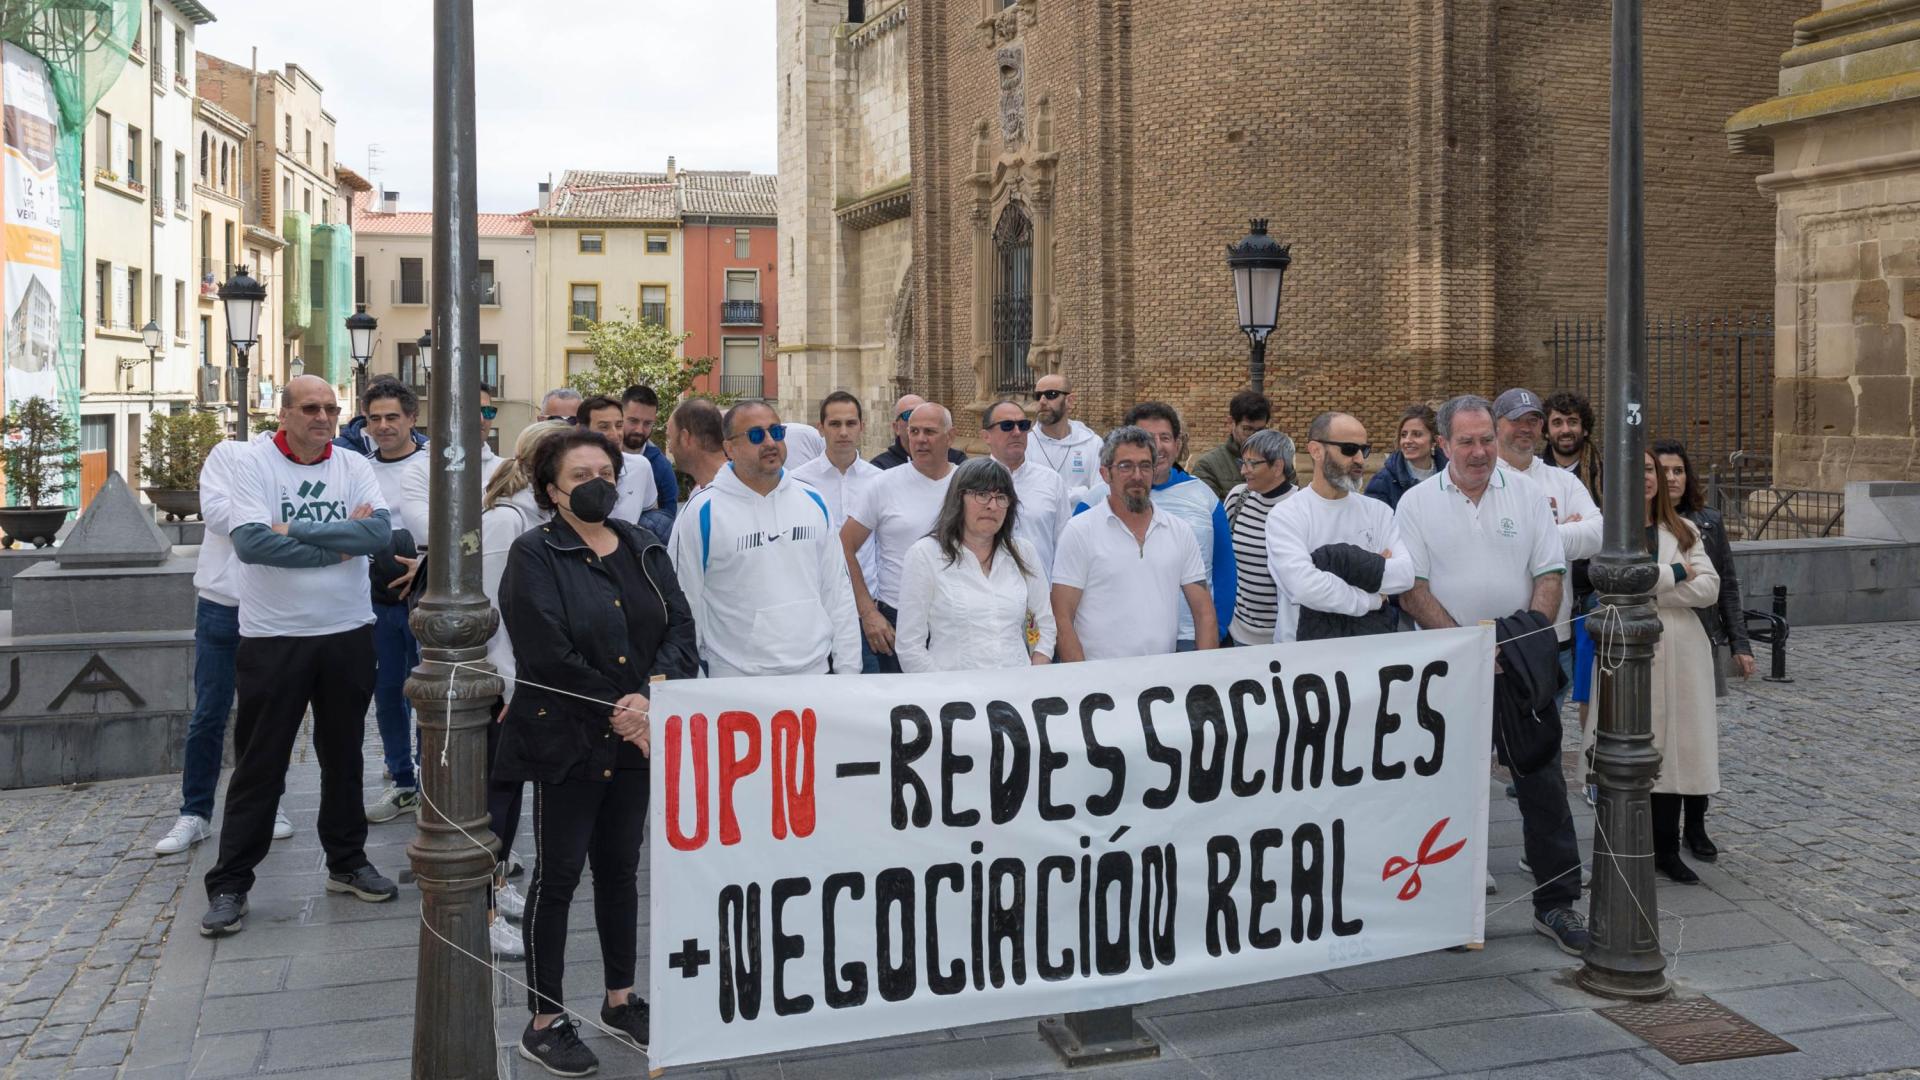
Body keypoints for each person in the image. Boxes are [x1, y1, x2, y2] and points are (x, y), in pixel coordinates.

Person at [494, 428, 697, 1073]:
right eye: (580, 476)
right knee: (557, 877)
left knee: (619, 870)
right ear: (551, 490)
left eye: (604, 473)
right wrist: (623, 709)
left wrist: (647, 698)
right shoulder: (534, 553)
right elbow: (545, 650)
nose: (596, 485)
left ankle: (619, 999)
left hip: (637, 733)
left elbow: (680, 630)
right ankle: (543, 1021)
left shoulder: (642, 546)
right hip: (569, 737)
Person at [201, 376, 400, 937]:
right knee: (260, 763)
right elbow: (251, 543)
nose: (323, 417)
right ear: (284, 414)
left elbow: (377, 535)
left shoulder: (353, 464)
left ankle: (347, 862)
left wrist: (296, 529)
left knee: (345, 757)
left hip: (347, 632)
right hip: (274, 636)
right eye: (310, 408)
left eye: (331, 409)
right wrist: (337, 545)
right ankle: (230, 883)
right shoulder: (252, 464)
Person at [1393, 394, 1588, 956]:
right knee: (1447, 787)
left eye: (1486, 440)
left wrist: (1521, 643)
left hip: (1520, 662)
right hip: (1449, 667)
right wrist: (1471, 647)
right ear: (1443, 444)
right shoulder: (1415, 504)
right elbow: (1412, 588)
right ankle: (1450, 907)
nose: (1479, 452)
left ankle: (1557, 904)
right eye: (1466, 442)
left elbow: (1549, 575)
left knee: (1543, 783)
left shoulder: (1527, 496)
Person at [156, 431, 293, 856]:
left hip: (273, 603)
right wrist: (275, 519)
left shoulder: (302, 465)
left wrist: (271, 520)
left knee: (266, 714)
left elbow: (307, 524)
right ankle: (195, 812)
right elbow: (216, 516)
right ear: (283, 413)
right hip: (221, 602)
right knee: (209, 713)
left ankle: (267, 805)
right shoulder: (231, 453)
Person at [672, 399, 861, 677]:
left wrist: (849, 672)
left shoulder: (813, 500)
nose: (770, 442)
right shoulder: (701, 512)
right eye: (756, 435)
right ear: (729, 448)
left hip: (815, 675)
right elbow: (684, 604)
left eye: (776, 432)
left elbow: (837, 591)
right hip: (735, 681)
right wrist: (696, 683)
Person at [477, 419, 569, 959]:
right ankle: (482, 910)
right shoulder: (506, 521)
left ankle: (494, 885)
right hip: (504, 683)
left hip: (524, 680)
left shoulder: (534, 516)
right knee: (495, 796)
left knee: (508, 792)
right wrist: (511, 686)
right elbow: (493, 609)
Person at [1654, 437, 1752, 864]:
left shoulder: (1706, 521)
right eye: (1664, 471)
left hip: (1701, 640)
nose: (1672, 478)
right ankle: (1663, 832)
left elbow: (1723, 584)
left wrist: (1740, 643)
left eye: (1678, 470)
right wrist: (1675, 582)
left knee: (1697, 738)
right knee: (1665, 738)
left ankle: (1696, 825)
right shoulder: (1644, 523)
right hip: (1659, 642)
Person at [1076, 402, 1235, 649]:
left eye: (1165, 438)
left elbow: (1224, 567)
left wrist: (1219, 627)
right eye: (1148, 437)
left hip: (1193, 636)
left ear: (1177, 444)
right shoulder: (1095, 500)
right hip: (1118, 642)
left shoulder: (1204, 497)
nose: (1158, 446)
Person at [1054, 427, 1217, 660]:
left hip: (1163, 677)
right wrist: (1083, 679)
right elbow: (1061, 617)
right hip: (1100, 677)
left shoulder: (1179, 531)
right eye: (1125, 466)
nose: (1137, 476)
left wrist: (1206, 673)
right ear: (1105, 474)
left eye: (1145, 466)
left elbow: (1204, 613)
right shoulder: (1080, 531)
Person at [1638, 449, 1722, 885]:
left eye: (1650, 469)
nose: (1647, 477)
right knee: (1637, 746)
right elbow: (1621, 582)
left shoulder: (1683, 528)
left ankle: (1668, 849)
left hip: (1682, 647)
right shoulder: (1610, 529)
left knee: (1676, 748)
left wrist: (1657, 587)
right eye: (1637, 469)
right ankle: (1632, 842)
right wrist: (1676, 573)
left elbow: (1710, 587)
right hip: (1631, 648)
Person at [351, 379, 431, 825]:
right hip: (377, 597)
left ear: (412, 418)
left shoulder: (434, 465)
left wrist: (425, 564)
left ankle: (430, 784)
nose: (383, 426)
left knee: (427, 692)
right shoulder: (358, 469)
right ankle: (402, 780)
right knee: (387, 692)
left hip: (426, 594)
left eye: (392, 417)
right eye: (374, 418)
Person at [896, 458, 1055, 672]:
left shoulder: (1024, 552)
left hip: (1018, 688)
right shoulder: (925, 555)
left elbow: (1044, 625)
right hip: (953, 689)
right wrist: (948, 689)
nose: (992, 505)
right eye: (981, 494)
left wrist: (1034, 675)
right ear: (958, 499)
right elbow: (909, 647)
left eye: (1001, 497)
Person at [1493, 388, 1603, 692]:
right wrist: (1562, 531)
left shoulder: (1563, 481)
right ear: (1496, 425)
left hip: (1555, 634)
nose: (1525, 428)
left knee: (1550, 720)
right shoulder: (1482, 480)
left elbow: (1597, 535)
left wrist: (1534, 535)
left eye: (1533, 420)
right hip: (1498, 635)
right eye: (1516, 420)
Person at [1267, 413, 1413, 642]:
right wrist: (1371, 598)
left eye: (1364, 450)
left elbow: (1404, 575)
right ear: (1316, 451)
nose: (1360, 459)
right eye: (1349, 449)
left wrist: (1327, 576)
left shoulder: (1379, 512)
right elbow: (1304, 586)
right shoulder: (1286, 515)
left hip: (1368, 648)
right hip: (1302, 653)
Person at [842, 402, 958, 673]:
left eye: (929, 431)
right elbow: (843, 545)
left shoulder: (967, 484)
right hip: (897, 619)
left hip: (957, 618)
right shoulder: (883, 484)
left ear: (950, 437)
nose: (919, 439)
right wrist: (868, 612)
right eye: (913, 431)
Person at [790, 391, 884, 672]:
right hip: (813, 610)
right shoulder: (798, 483)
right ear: (820, 428)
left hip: (864, 612)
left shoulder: (880, 481)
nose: (843, 432)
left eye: (850, 423)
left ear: (862, 426)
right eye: (835, 424)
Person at [1221, 428, 1297, 646]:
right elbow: (1222, 557)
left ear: (1278, 466)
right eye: (1243, 462)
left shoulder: (1300, 506)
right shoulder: (1239, 497)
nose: (1244, 470)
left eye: (1252, 464)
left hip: (1285, 637)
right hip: (1238, 632)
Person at [981, 399, 1071, 573]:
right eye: (1007, 426)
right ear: (986, 436)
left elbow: (1064, 546)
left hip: (1040, 586)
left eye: (1023, 425)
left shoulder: (1051, 481)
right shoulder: (970, 481)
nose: (1017, 432)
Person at [622, 384, 679, 542]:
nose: (639, 430)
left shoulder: (661, 468)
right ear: (620, 416)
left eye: (647, 423)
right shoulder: (598, 457)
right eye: (633, 421)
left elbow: (666, 525)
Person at [1030, 372, 1102, 498]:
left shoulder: (1092, 444)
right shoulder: (1025, 444)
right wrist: (1081, 492)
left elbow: (1099, 492)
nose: (1042, 401)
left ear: (1070, 401)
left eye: (1051, 394)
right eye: (1037, 396)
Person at [1191, 390, 1271, 501]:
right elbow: (1206, 509)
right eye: (1247, 429)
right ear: (1230, 423)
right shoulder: (1207, 466)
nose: (1255, 437)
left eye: (1260, 431)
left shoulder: (1279, 462)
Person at [1364, 403, 1448, 511]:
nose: (1407, 441)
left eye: (1417, 434)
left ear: (1434, 441)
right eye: (1403, 435)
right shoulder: (1383, 481)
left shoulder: (1450, 475)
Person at [872, 393, 967, 469]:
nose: (921, 439)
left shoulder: (957, 461)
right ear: (896, 427)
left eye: (923, 412)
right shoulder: (881, 468)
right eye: (909, 414)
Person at [1542, 389, 1603, 500]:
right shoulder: (1534, 473)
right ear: (1546, 431)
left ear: (1585, 429)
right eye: (1557, 423)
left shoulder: (1606, 475)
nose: (1565, 430)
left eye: (1572, 422)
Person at [667, 397, 728, 496]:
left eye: (670, 438)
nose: (670, 449)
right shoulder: (702, 490)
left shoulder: (726, 494)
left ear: (684, 438)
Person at [478, 382, 503, 482]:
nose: (481, 419)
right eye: (472, 410)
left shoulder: (503, 472)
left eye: (487, 411)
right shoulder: (432, 467)